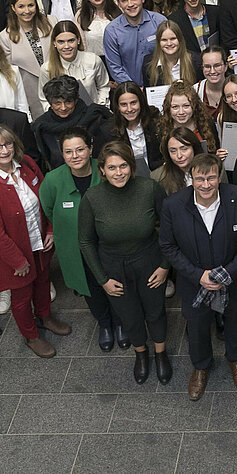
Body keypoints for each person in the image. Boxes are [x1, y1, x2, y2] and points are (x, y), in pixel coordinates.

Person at [159, 153, 237, 401]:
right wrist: (198, 275)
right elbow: (168, 246)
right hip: (195, 282)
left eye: (211, 178)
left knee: (236, 321)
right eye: (200, 179)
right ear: (191, 177)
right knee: (197, 325)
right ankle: (201, 366)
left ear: (219, 176)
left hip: (234, 279)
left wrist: (230, 271)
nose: (206, 185)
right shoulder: (173, 205)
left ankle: (236, 361)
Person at [80, 141, 174, 384]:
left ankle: (161, 353)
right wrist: (102, 280)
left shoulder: (149, 188)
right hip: (113, 268)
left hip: (150, 261)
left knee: (155, 311)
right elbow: (86, 242)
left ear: (132, 167)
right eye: (112, 168)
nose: (118, 172)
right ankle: (141, 353)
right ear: (102, 170)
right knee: (129, 315)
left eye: (123, 166)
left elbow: (169, 230)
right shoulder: (92, 198)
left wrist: (165, 266)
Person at [0, 125, 71, 358]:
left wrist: (50, 230)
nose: (4, 150)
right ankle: (30, 335)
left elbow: (46, 198)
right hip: (15, 254)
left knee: (43, 281)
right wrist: (17, 261)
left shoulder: (27, 164)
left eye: (7, 144)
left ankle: (45, 317)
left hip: (40, 241)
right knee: (21, 297)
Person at [40, 128, 123, 352]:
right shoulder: (53, 180)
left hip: (109, 245)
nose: (75, 156)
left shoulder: (107, 170)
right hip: (76, 248)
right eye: (68, 152)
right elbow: (49, 210)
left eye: (80, 149)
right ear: (62, 154)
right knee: (91, 288)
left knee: (116, 283)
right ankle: (104, 324)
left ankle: (119, 322)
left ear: (90, 149)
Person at [31, 75, 114, 170]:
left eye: (68, 102)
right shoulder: (42, 126)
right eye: (57, 103)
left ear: (75, 100)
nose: (63, 108)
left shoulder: (95, 116)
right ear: (50, 103)